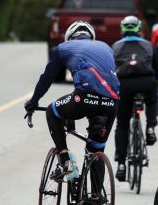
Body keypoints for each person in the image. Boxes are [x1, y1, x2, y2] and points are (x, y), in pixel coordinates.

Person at [24, 21, 119, 180]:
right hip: (112, 103)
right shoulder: (106, 47)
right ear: (91, 37)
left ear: (69, 38)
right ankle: (96, 197)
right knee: (96, 150)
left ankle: (65, 161)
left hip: (83, 99)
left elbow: (46, 79)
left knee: (52, 111)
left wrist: (33, 102)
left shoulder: (63, 48)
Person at [112, 16, 158, 181]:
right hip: (146, 82)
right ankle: (151, 127)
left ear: (122, 30)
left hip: (124, 85)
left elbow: (111, 71)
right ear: (139, 29)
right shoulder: (148, 45)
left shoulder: (116, 46)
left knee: (122, 124)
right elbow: (156, 67)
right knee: (152, 101)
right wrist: (155, 90)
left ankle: (121, 164)